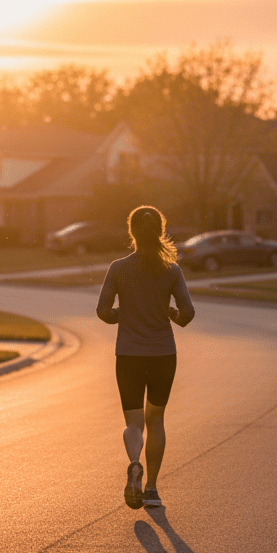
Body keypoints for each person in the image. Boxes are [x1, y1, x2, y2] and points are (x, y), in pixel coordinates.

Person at [96, 206, 195, 509]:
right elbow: (188, 314)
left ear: (132, 232)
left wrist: (122, 315)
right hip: (163, 355)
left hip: (128, 355)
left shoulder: (118, 267)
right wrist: (169, 313)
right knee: (157, 419)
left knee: (134, 422)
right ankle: (151, 488)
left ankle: (134, 463)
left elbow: (102, 311)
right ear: (160, 230)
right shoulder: (172, 270)